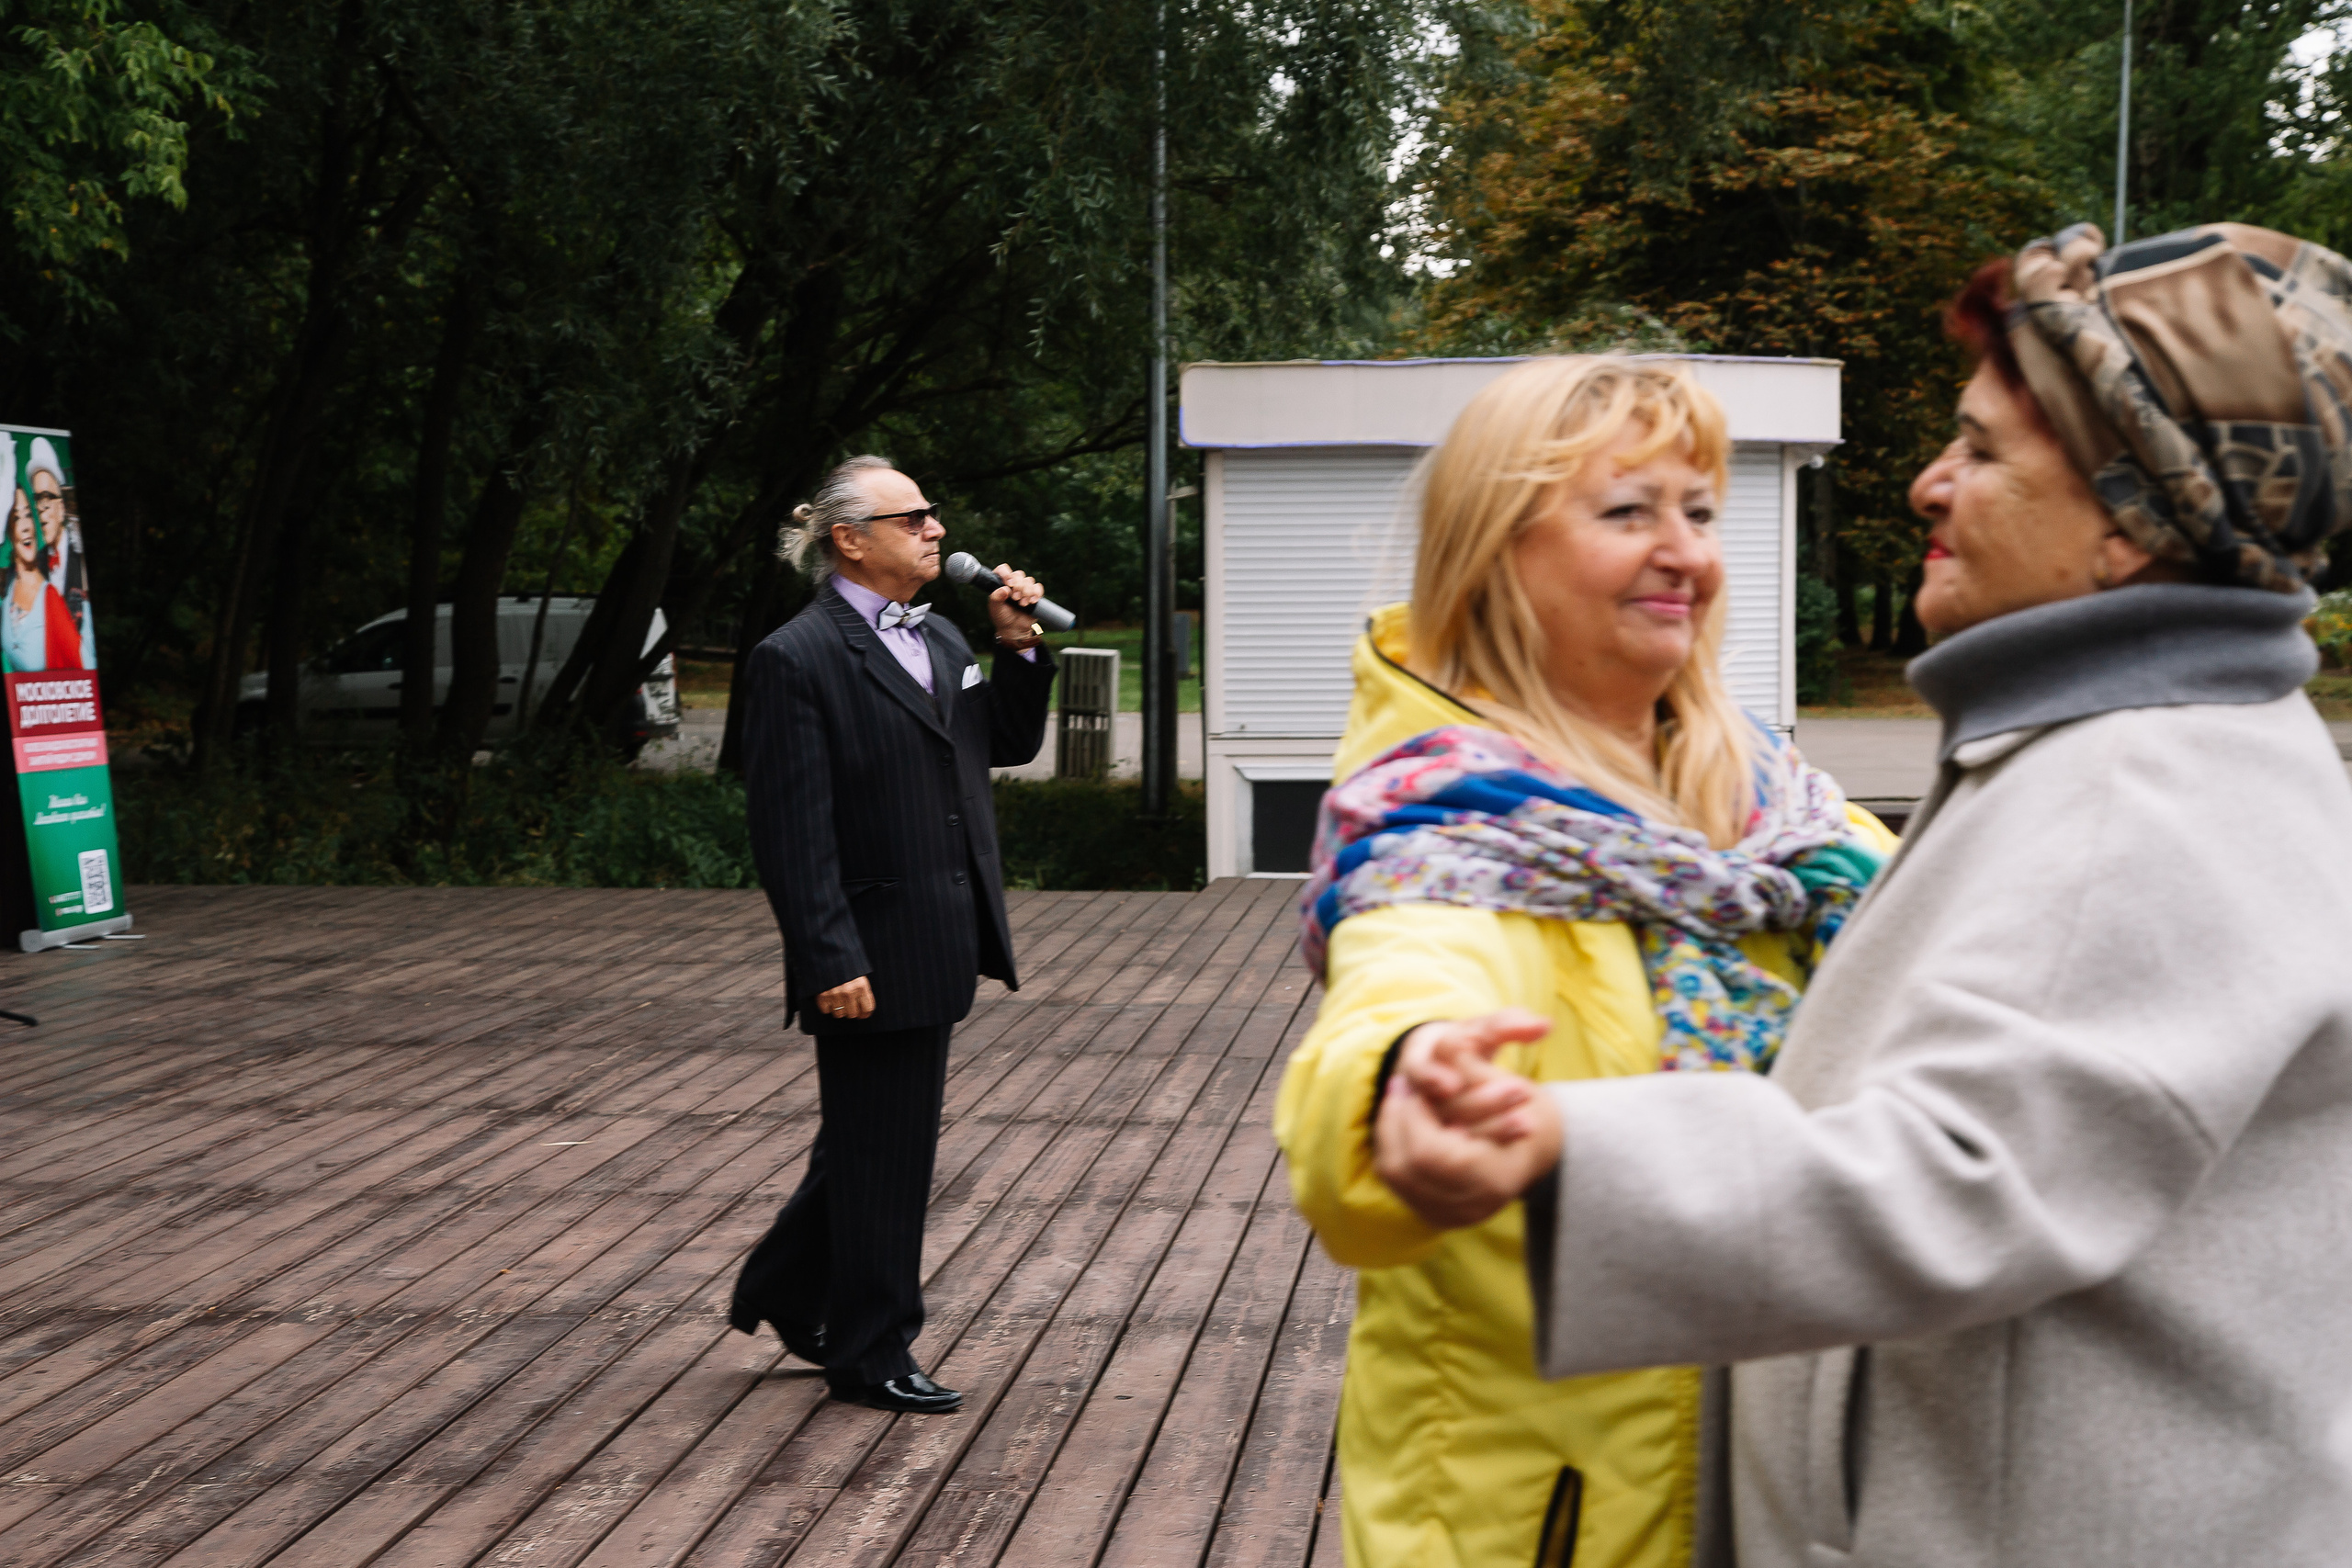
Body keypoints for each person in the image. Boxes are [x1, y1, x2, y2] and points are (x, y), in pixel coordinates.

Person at [1378, 223, 2352, 1567]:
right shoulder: (2110, 741)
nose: (1927, 482)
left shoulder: (2149, 784)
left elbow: (1963, 1172)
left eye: (1985, 449)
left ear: (2135, 523)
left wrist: (1569, 1149)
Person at [1273, 356, 1895, 1567]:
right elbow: (1402, 990)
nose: (1685, 552)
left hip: (1800, 1480)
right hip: (1562, 1517)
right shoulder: (1447, 826)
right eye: (1627, 511)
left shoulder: (1787, 818)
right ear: (1497, 549)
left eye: (1700, 511)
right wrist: (1407, 1086)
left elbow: (1952, 949)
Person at [729, 453, 1057, 1414]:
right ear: (849, 541)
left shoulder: (945, 638)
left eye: (932, 515)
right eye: (915, 518)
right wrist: (829, 955)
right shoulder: (796, 658)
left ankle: (786, 1285)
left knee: (870, 1140)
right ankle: (870, 1350)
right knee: (887, 1154)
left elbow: (1002, 744)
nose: (937, 531)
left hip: (943, 931)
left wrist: (1016, 645)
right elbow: (792, 831)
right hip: (866, 948)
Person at [2, 475, 86, 673]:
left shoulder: (50, 598)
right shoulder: (9, 585)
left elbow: (83, 669)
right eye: (16, 518)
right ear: (7, 530)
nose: (26, 527)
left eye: (28, 515)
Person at [26, 437, 90, 654]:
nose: (41, 508)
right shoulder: (34, 566)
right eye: (37, 499)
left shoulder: (80, 558)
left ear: (62, 507)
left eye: (47, 497)